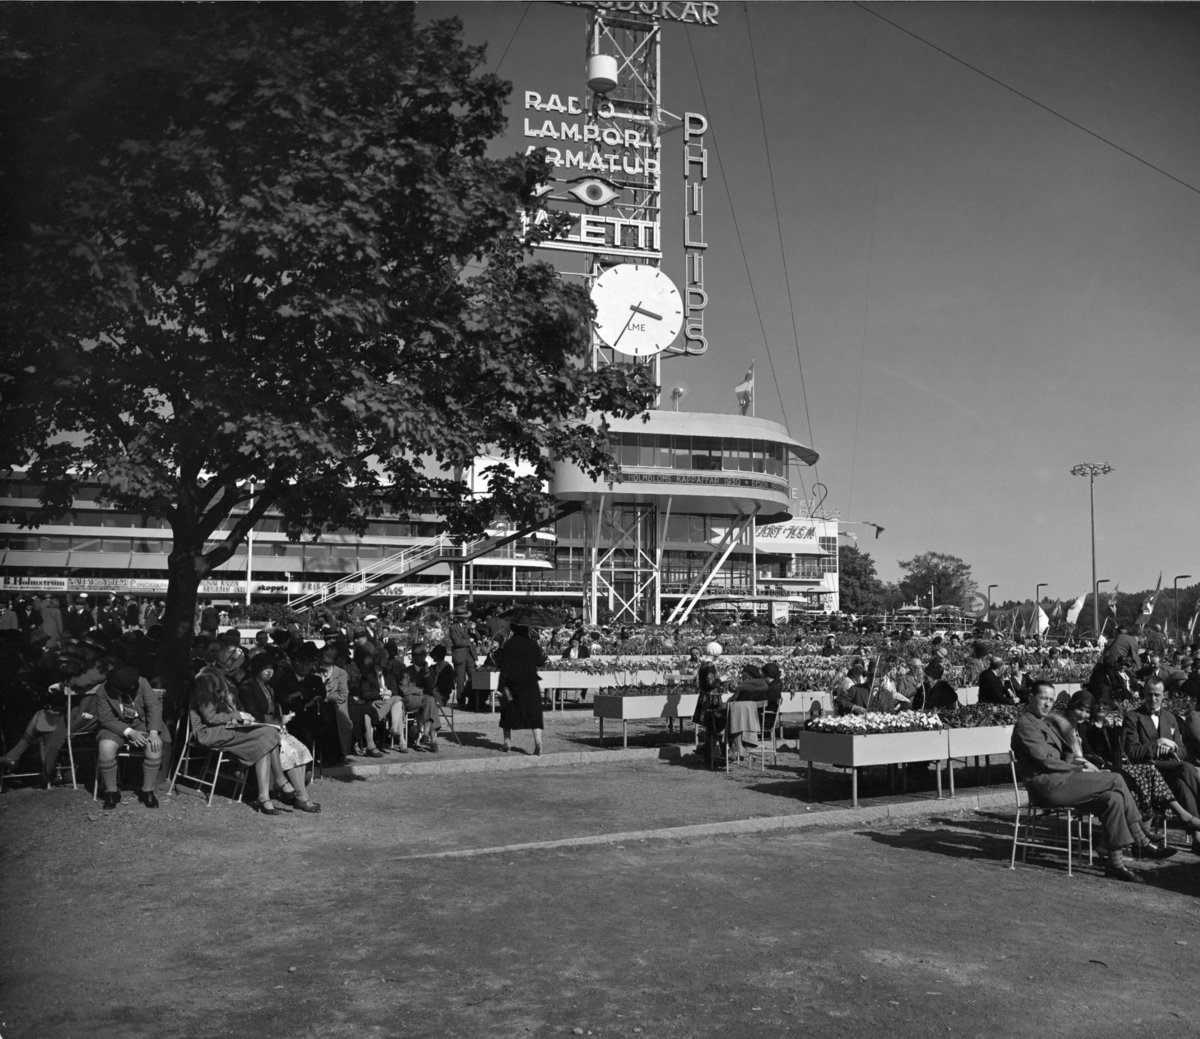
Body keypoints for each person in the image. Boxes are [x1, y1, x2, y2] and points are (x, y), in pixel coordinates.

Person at [1012, 681, 1151, 882]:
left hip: (1060, 781)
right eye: (1043, 698)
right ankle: (1141, 839)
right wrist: (1080, 767)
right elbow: (1047, 761)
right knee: (1116, 778)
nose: (1048, 704)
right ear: (1030, 697)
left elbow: (1061, 755)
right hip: (1047, 787)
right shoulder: (1026, 725)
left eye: (1051, 699)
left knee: (1112, 798)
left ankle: (1115, 863)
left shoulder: (1043, 722)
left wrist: (1076, 761)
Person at [1056, 690, 1198, 842]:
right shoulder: (1072, 727)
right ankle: (1158, 827)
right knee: (1153, 772)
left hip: (1103, 768)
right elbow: (1076, 757)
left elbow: (1181, 750)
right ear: (1071, 707)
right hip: (1086, 774)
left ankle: (1153, 833)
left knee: (1154, 776)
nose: (1084, 714)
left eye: (1087, 711)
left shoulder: (1083, 727)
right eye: (1081, 709)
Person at [191, 644, 317, 815]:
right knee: (268, 734)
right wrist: (239, 715)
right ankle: (280, 780)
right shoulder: (207, 681)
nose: (243, 670)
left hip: (229, 726)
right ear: (232, 666)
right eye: (240, 666)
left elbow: (240, 710)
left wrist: (245, 717)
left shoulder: (230, 683)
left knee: (265, 739)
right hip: (210, 731)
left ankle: (264, 798)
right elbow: (210, 717)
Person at [1122, 677, 1200, 855]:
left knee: (1181, 785)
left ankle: (1197, 840)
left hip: (1168, 770)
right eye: (1149, 694)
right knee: (1186, 768)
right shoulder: (1133, 717)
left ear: (1164, 695)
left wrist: (1173, 747)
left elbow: (1182, 751)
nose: (1153, 699)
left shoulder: (1170, 718)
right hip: (1145, 770)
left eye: (1157, 695)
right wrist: (1157, 744)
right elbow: (1132, 752)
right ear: (1143, 694)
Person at [238, 654, 319, 808]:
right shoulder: (247, 687)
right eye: (264, 668)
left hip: (272, 728)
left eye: (271, 668)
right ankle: (301, 798)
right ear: (256, 669)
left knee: (300, 749)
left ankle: (302, 795)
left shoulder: (268, 687)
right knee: (291, 752)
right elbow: (253, 715)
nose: (269, 671)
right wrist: (278, 720)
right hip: (258, 730)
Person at [93, 665, 165, 810]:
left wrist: (153, 733)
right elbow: (106, 719)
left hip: (141, 722)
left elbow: (153, 707)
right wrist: (130, 732)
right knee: (106, 747)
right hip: (115, 724)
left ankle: (147, 791)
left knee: (154, 746)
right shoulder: (102, 691)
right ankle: (112, 792)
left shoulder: (141, 682)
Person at [496, 624, 546, 755]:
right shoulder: (533, 644)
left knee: (508, 710)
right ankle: (538, 742)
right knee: (534, 712)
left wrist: (500, 687)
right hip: (530, 682)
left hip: (512, 682)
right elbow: (540, 662)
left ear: (514, 630)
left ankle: (507, 742)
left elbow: (504, 667)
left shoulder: (509, 644)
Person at [449, 604, 476, 708]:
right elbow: (457, 642)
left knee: (474, 677)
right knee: (460, 680)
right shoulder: (453, 627)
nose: (467, 619)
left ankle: (473, 700)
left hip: (469, 655)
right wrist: (469, 641)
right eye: (466, 618)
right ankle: (461, 702)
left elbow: (478, 637)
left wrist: (474, 630)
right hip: (460, 655)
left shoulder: (469, 626)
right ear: (460, 618)